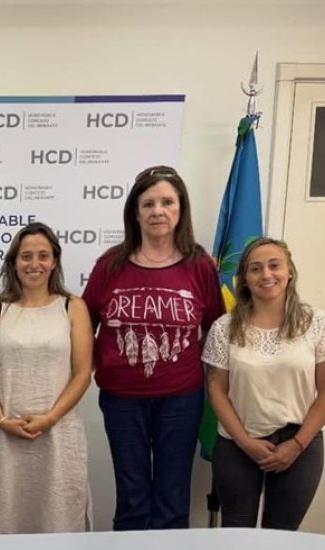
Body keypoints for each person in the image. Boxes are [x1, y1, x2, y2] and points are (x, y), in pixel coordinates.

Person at [82, 165, 224, 530]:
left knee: (172, 499)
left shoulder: (200, 266)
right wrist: (101, 364)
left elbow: (216, 330)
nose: (157, 211)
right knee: (131, 498)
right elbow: (83, 326)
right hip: (121, 399)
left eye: (167, 202)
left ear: (181, 209)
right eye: (148, 204)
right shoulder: (109, 265)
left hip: (181, 400)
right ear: (135, 212)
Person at [202, 237, 325, 529]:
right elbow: (216, 390)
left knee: (282, 535)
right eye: (255, 268)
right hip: (237, 442)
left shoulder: (319, 323)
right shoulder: (224, 328)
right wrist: (245, 443)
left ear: (289, 271)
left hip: (300, 443)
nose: (266, 274)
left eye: (274, 265)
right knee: (236, 534)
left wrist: (297, 444)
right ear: (244, 279)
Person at [0, 222, 94, 534]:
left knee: (58, 518)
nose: (34, 264)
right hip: (0, 436)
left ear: (54, 261)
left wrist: (49, 418)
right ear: (14, 262)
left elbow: (82, 374)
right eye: (26, 256)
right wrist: (1, 419)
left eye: (43, 256)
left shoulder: (73, 307)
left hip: (58, 436)